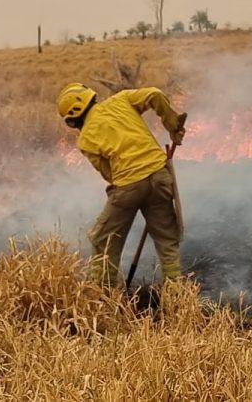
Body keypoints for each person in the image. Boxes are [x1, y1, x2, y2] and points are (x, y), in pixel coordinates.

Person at [57, 83, 187, 286]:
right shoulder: (122, 99)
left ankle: (102, 295)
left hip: (128, 186)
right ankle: (176, 291)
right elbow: (155, 94)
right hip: (160, 176)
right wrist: (172, 125)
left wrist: (130, 191)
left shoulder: (85, 139)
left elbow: (108, 173)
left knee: (103, 240)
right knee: (167, 239)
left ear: (74, 118)